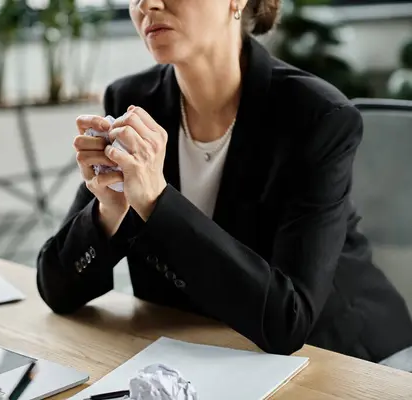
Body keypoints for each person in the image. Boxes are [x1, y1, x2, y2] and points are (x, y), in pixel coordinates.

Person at [36, 0, 412, 367]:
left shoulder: (317, 117)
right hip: (206, 355)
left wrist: (156, 201)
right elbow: (57, 290)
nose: (147, 5)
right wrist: (108, 210)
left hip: (343, 358)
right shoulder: (133, 102)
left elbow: (288, 321)